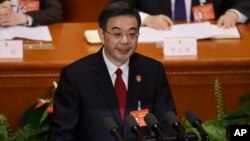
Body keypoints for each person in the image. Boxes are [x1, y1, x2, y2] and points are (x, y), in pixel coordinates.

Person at [50, 2, 176, 141]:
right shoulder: (75, 76)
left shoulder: (152, 71)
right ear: (102, 35)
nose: (125, 40)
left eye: (132, 34)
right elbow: (62, 135)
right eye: (117, 34)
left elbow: (168, 128)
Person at [110, 0, 249, 30]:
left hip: (209, 47)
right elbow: (117, 6)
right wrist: (147, 19)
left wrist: (233, 14)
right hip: (156, 50)